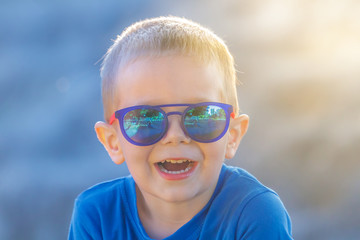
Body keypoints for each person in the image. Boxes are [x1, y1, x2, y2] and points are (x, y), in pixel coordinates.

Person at [68, 16, 293, 240]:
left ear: (232, 135)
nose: (175, 136)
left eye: (202, 116)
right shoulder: (96, 216)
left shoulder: (254, 214)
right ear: (113, 141)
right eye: (146, 119)